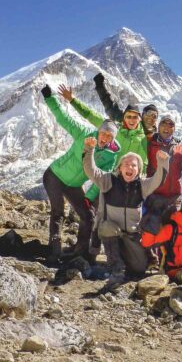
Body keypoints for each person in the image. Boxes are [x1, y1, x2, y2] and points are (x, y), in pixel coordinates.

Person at [40, 84, 121, 263]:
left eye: (110, 136)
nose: (105, 138)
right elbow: (64, 119)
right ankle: (54, 252)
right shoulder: (84, 133)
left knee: (88, 216)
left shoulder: (111, 154)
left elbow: (102, 176)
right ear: (99, 131)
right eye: (104, 133)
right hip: (55, 175)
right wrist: (49, 98)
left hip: (74, 185)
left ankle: (80, 251)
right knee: (58, 212)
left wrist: (89, 196)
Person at [83, 136, 169, 290]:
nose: (130, 168)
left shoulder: (142, 185)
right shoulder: (108, 181)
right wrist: (89, 150)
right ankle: (116, 269)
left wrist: (162, 162)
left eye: (134, 166)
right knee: (107, 227)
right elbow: (91, 171)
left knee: (139, 269)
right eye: (126, 164)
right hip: (112, 231)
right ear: (120, 167)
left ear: (138, 170)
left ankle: (127, 260)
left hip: (132, 235)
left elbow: (158, 179)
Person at [140, 115, 182, 236]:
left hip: (174, 197)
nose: (166, 127)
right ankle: (151, 253)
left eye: (170, 125)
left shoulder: (180, 147)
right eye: (163, 124)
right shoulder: (150, 143)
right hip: (155, 195)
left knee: (172, 230)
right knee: (152, 229)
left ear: (174, 129)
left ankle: (169, 254)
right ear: (158, 127)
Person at [60, 83, 148, 169]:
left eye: (135, 117)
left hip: (129, 177)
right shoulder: (113, 129)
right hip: (110, 173)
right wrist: (72, 100)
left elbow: (147, 161)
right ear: (124, 118)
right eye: (129, 117)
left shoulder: (144, 138)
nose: (132, 120)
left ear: (139, 119)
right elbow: (90, 115)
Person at [93, 73, 158, 139]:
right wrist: (100, 86)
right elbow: (110, 106)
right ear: (142, 115)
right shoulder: (130, 120)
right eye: (149, 113)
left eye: (154, 116)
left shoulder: (156, 138)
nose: (151, 117)